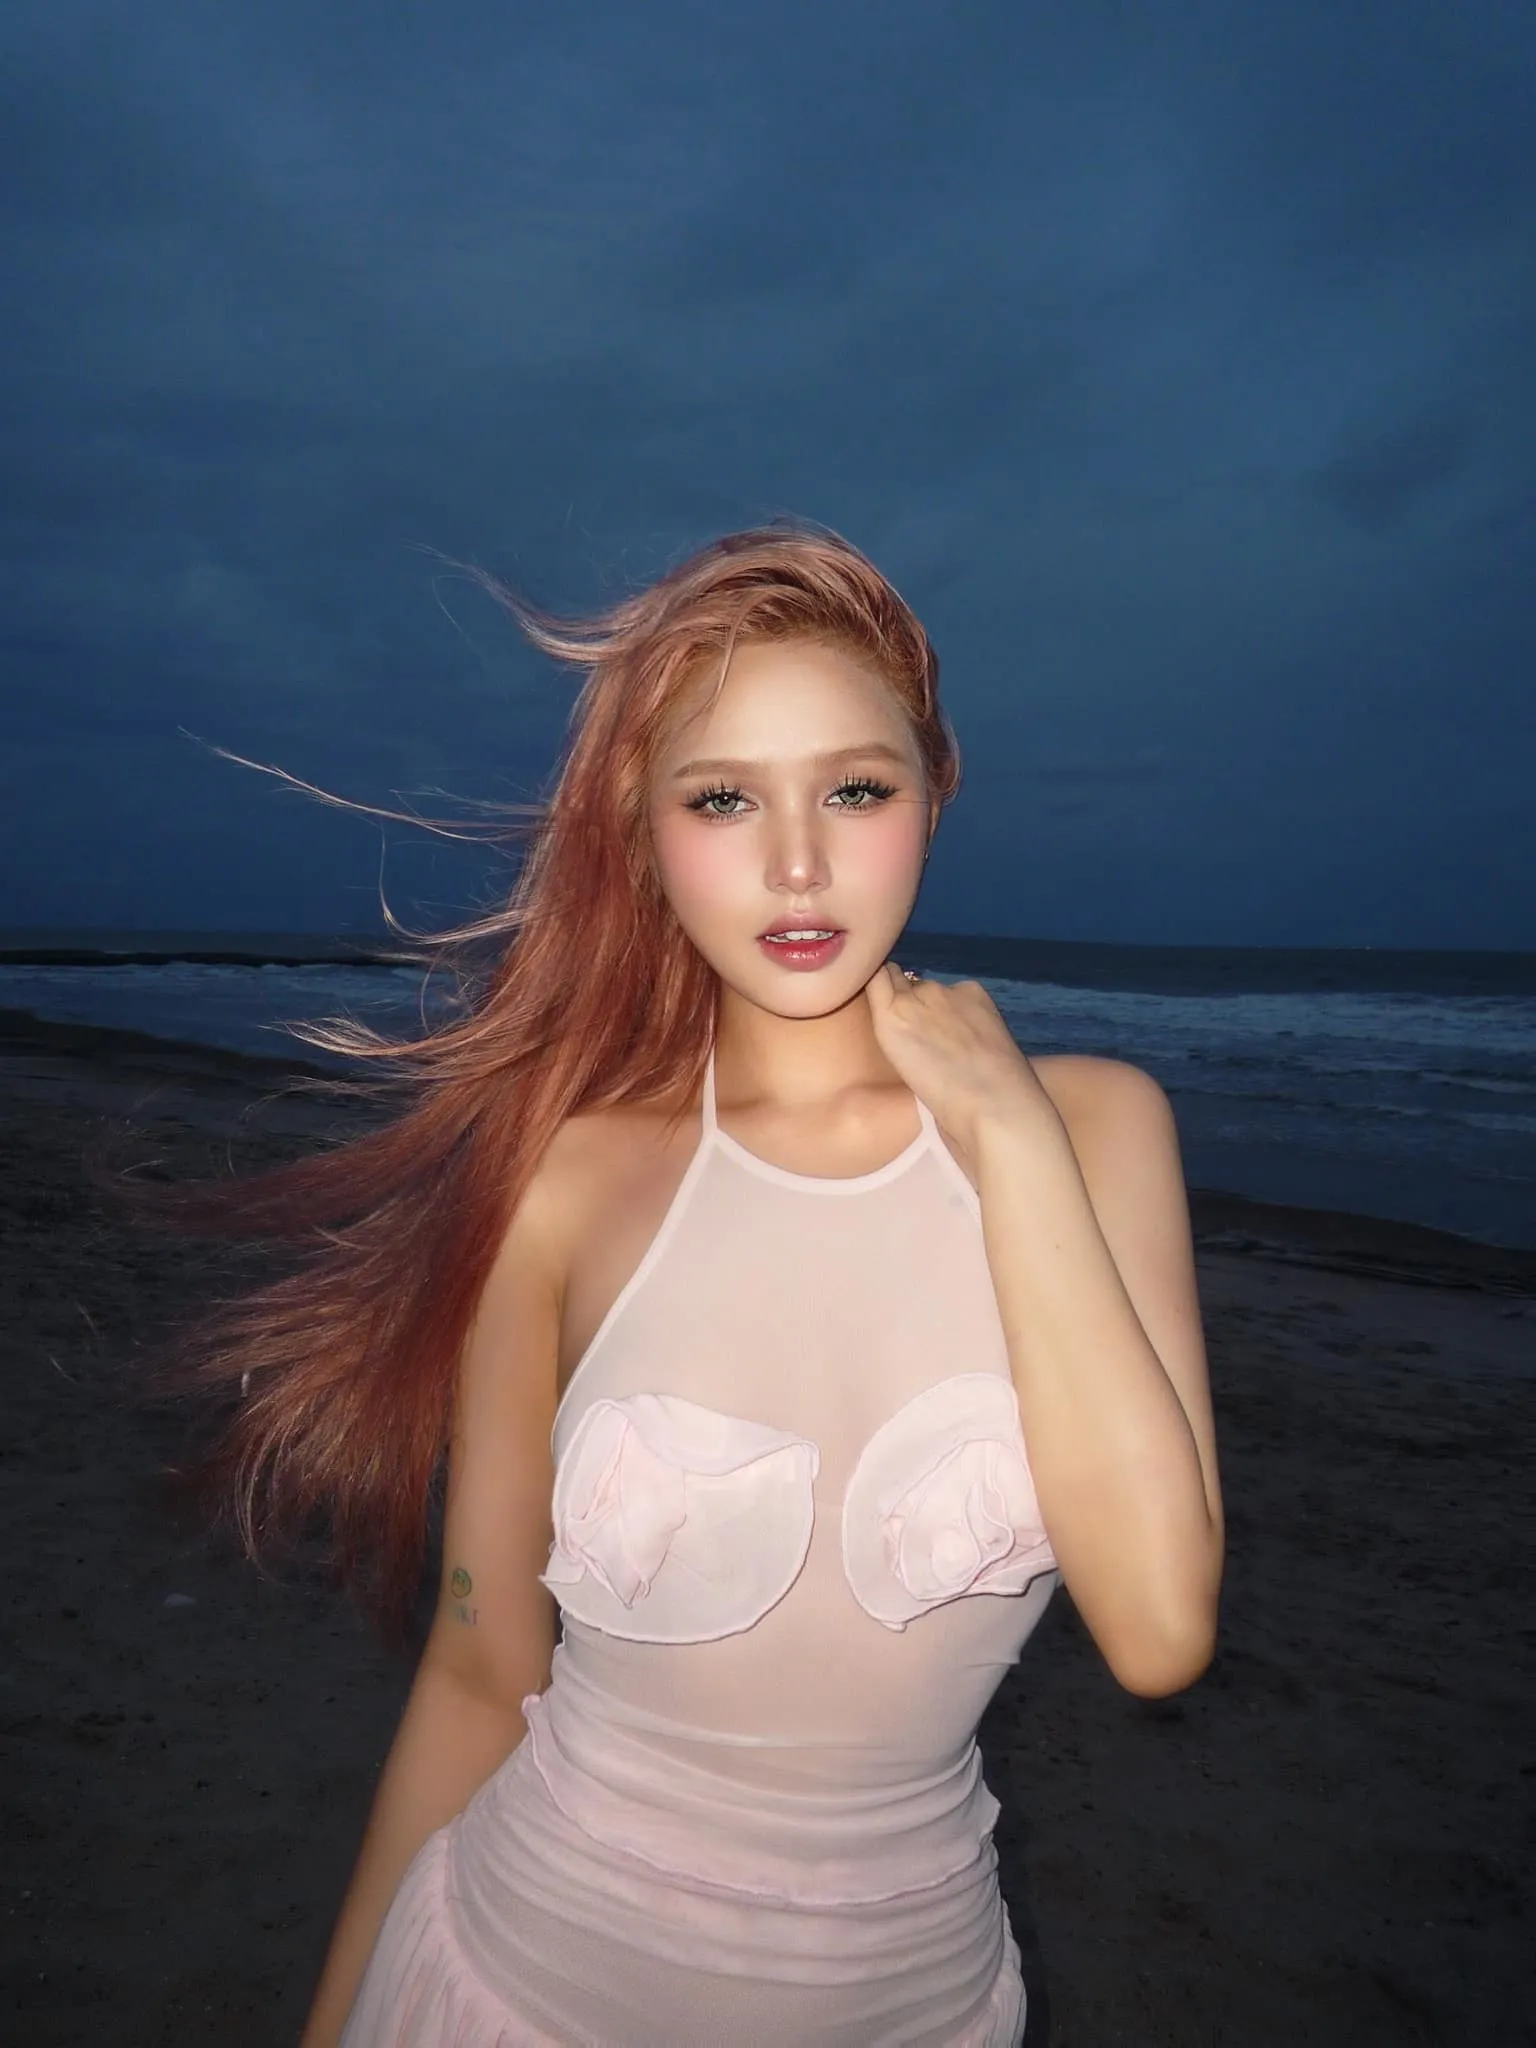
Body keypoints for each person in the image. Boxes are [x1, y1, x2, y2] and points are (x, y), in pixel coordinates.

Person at [161, 524, 1224, 2046]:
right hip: (513, 1988)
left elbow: (1160, 1627)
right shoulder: (566, 1178)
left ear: (935, 794)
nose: (798, 864)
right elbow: (477, 1671)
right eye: (723, 798)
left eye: (856, 790)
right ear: (641, 829)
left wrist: (1008, 1131)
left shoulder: (1095, 1132)